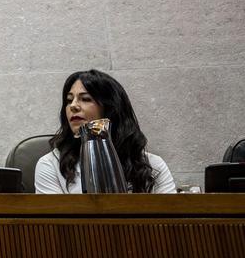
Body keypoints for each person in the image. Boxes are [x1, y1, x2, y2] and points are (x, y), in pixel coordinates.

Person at [34, 69, 176, 194]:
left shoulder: (153, 165)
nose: (73, 106)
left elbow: (171, 221)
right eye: (69, 100)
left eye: (85, 99)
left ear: (111, 108)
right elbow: (56, 223)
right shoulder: (51, 165)